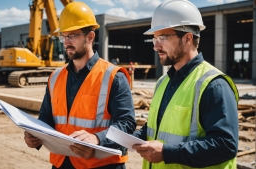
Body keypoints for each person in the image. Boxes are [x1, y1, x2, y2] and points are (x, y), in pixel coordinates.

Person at [24, 2, 136, 169]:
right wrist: (36, 136)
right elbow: (46, 117)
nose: (67, 42)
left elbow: (127, 124)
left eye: (73, 35)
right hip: (62, 163)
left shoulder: (113, 76)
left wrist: (97, 139)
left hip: (101, 165)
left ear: (90, 37)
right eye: (64, 36)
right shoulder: (55, 77)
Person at [132, 0, 239, 168]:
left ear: (188, 38)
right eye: (154, 39)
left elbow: (225, 145)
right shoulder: (163, 82)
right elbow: (156, 127)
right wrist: (133, 137)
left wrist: (168, 152)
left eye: (162, 37)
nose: (156, 46)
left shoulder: (214, 85)